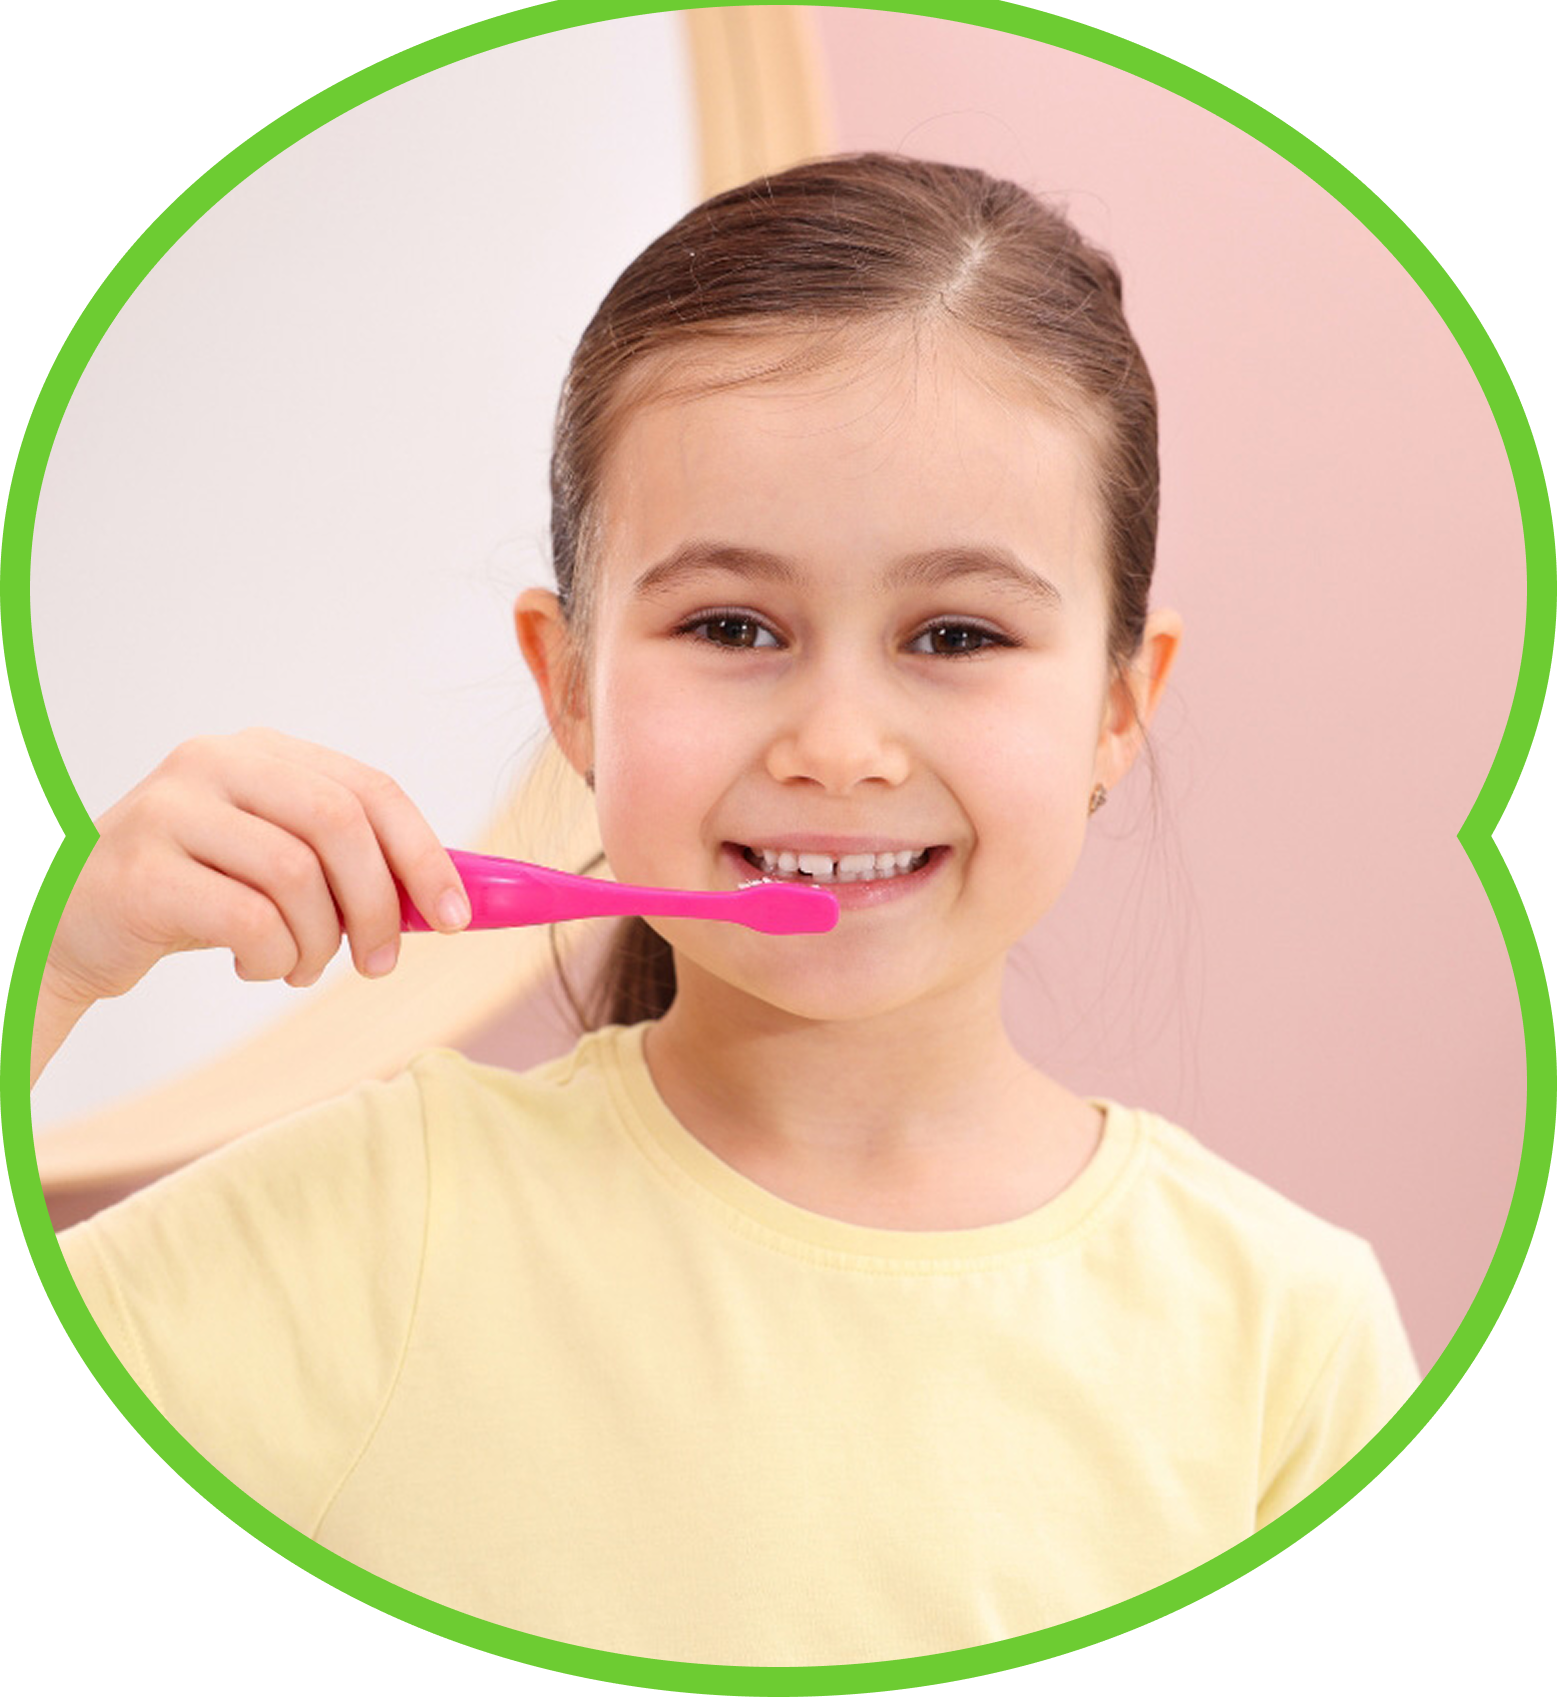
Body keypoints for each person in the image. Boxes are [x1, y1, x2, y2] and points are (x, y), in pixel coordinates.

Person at [31, 154, 1419, 1667]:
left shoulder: (1284, 1336)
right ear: (570, 684)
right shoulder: (375, 1221)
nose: (838, 742)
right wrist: (60, 965)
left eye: (954, 632)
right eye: (732, 625)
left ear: (1115, 707)